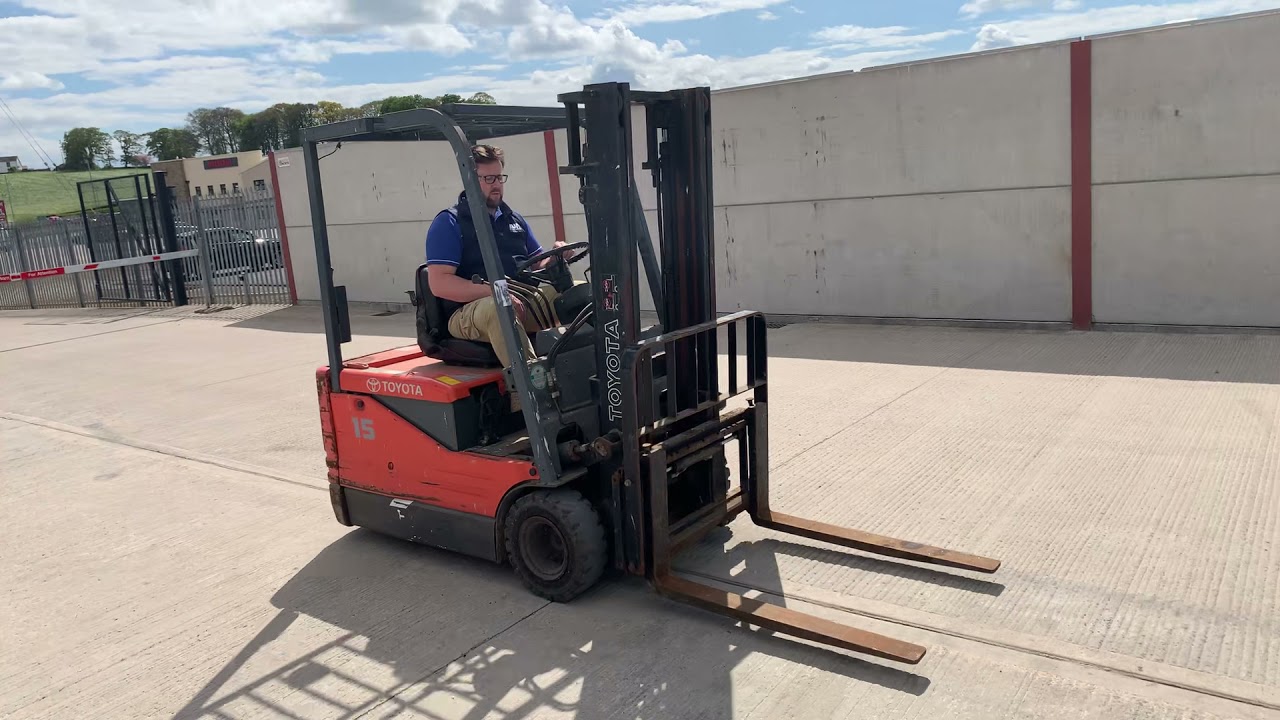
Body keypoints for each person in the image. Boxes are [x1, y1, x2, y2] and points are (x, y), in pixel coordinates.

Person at [424, 143, 569, 368]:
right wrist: (496, 292)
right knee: (500, 308)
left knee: (579, 294)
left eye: (500, 178)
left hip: (519, 298)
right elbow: (439, 283)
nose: (497, 185)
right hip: (468, 311)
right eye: (489, 179)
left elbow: (536, 262)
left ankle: (587, 370)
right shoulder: (449, 222)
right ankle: (531, 392)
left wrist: (556, 257)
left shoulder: (513, 219)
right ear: (470, 180)